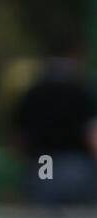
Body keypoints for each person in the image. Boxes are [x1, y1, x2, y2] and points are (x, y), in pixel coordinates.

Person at [13, 48, 97, 206]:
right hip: (76, 165)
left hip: (43, 163)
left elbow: (20, 137)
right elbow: (91, 134)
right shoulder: (81, 91)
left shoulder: (32, 94)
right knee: (82, 217)